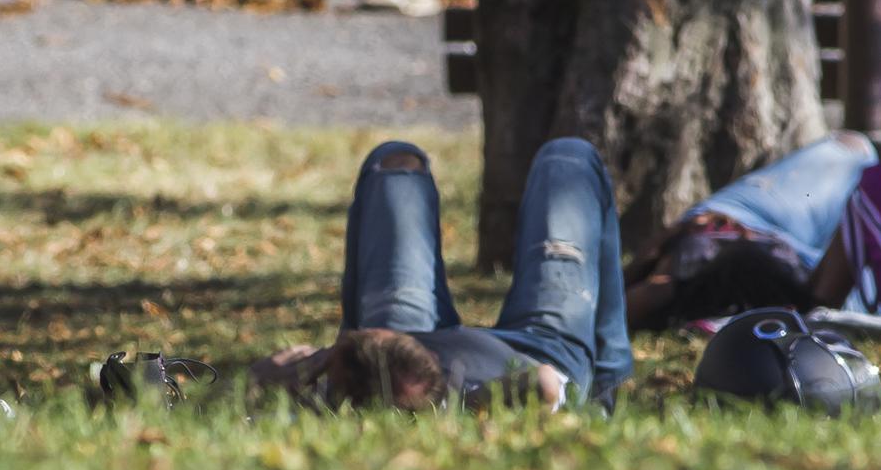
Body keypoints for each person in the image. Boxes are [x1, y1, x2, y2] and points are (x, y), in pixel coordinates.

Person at [251, 138, 633, 412]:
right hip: (540, 348)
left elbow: (251, 386)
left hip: (410, 346)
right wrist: (472, 402)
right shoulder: (455, 404)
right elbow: (546, 384)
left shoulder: (339, 383)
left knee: (395, 164)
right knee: (567, 158)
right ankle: (606, 386)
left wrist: (266, 377)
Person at [625, 132, 880, 328]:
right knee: (858, 156)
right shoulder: (822, 303)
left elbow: (618, 306)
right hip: (798, 274)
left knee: (855, 150)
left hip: (743, 223)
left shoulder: (673, 288)